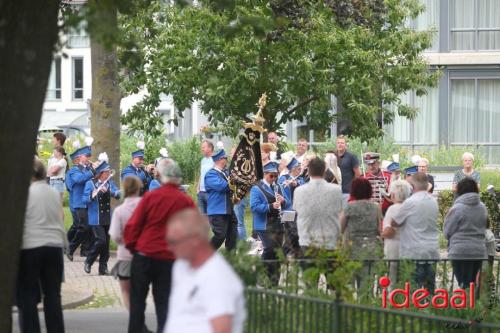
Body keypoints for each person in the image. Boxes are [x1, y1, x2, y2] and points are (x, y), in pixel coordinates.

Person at [124, 159, 195, 333]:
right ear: (178, 179)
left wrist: (134, 248)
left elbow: (133, 225)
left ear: (161, 177)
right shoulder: (186, 202)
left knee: (137, 303)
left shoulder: (151, 197)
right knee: (165, 305)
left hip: (145, 254)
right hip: (169, 259)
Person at [164, 208, 246, 333]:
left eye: (174, 242)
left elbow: (222, 329)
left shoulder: (218, 277)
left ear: (195, 240)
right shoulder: (181, 266)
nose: (169, 247)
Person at [17, 159, 66, 333]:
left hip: (31, 246)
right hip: (54, 246)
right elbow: (59, 218)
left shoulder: (25, 193)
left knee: (28, 295)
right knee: (53, 295)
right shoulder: (53, 193)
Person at [391, 172, 440, 294]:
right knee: (430, 292)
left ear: (412, 186)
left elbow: (395, 222)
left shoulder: (410, 202)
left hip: (413, 252)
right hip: (432, 251)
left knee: (412, 292)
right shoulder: (433, 201)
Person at [444, 177, 487, 289]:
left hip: (460, 252)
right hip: (478, 251)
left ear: (460, 191)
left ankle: (465, 305)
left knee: (464, 284)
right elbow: (485, 225)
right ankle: (472, 305)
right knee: (472, 284)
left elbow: (447, 231)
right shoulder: (482, 208)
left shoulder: (457, 208)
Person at [250, 162, 289, 284]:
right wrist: (270, 206)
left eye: (275, 176)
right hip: (264, 224)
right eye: (271, 176)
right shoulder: (257, 188)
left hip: (278, 223)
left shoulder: (278, 186)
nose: (273, 179)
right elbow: (254, 207)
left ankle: (274, 280)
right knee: (269, 248)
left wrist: (283, 201)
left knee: (277, 252)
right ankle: (261, 273)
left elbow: (288, 202)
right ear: (265, 174)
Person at [294, 157, 342, 252]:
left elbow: (297, 211)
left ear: (309, 171)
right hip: (330, 240)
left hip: (307, 241)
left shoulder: (299, 191)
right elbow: (340, 211)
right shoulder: (336, 190)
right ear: (324, 171)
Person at [109, 176, 143, 311]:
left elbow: (115, 235)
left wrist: (123, 241)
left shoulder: (120, 210)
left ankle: (134, 316)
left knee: (126, 290)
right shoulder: (146, 206)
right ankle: (140, 314)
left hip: (125, 255)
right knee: (140, 289)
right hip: (144, 253)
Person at [82, 159, 120, 275]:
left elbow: (118, 194)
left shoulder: (109, 183)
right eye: (107, 171)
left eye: (109, 171)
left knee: (106, 245)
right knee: (100, 241)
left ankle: (103, 268)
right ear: (101, 173)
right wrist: (93, 195)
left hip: (107, 217)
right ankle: (89, 261)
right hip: (96, 218)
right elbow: (84, 199)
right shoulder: (90, 183)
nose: (109, 173)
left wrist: (110, 192)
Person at [65, 144, 97, 260]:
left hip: (89, 201)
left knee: (90, 227)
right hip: (79, 202)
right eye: (87, 155)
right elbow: (80, 179)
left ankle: (86, 250)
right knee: (82, 227)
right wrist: (93, 170)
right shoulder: (73, 171)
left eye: (89, 155)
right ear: (79, 158)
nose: (89, 157)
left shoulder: (88, 169)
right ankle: (70, 247)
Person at [204, 148, 237, 250]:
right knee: (220, 235)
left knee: (232, 236)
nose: (226, 160)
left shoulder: (225, 173)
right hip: (217, 211)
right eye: (225, 158)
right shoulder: (211, 174)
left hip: (228, 209)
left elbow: (233, 187)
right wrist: (234, 179)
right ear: (219, 159)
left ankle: (230, 259)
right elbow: (222, 186)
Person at [381, 180, 412, 288]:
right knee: (407, 280)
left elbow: (388, 231)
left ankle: (392, 301)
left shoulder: (392, 209)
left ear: (393, 194)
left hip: (393, 248)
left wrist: (381, 234)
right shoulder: (411, 209)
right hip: (409, 248)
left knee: (392, 280)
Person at [336, 135, 361, 206]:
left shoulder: (351, 157)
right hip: (334, 191)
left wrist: (353, 186)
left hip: (347, 191)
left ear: (346, 145)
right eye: (338, 143)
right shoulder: (333, 156)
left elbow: (358, 174)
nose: (340, 144)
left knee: (345, 214)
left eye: (342, 143)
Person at [197, 140, 214, 214]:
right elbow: (201, 174)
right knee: (202, 217)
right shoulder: (203, 160)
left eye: (203, 147)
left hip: (210, 193)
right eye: (201, 147)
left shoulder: (215, 160)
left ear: (210, 148)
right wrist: (198, 188)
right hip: (201, 193)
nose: (202, 149)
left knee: (211, 216)